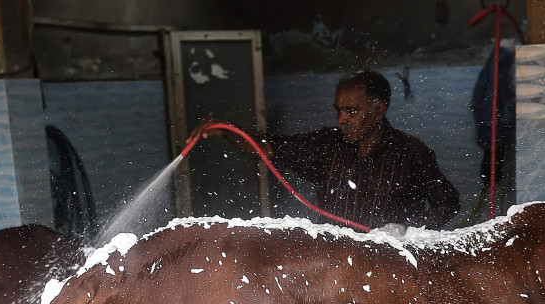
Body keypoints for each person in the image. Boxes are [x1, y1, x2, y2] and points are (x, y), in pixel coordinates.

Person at [186, 70, 461, 230]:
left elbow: (448, 201)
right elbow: (268, 147)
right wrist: (227, 130)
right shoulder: (327, 145)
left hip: (389, 269)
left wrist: (411, 231)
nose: (341, 120)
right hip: (336, 266)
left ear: (379, 111)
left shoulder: (411, 152)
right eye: (339, 111)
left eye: (351, 111)